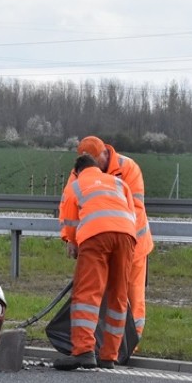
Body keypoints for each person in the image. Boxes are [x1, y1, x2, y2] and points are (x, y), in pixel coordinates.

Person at [55, 154, 136, 370]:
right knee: (118, 295)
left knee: (87, 294)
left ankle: (83, 351)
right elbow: (130, 211)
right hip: (127, 236)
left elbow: (70, 220)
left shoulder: (77, 185)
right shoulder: (118, 182)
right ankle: (109, 356)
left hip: (95, 236)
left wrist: (72, 242)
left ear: (78, 170)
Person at [73, 135, 154, 341]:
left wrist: (120, 242)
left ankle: (130, 344)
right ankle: (103, 346)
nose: (93, 167)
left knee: (131, 296)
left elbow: (134, 209)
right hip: (100, 242)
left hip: (133, 243)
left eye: (94, 161)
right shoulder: (80, 172)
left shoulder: (128, 168)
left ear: (104, 153)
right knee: (97, 294)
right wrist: (72, 241)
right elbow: (72, 208)